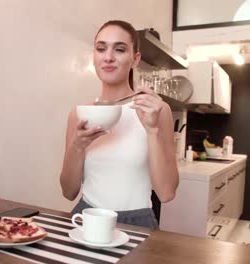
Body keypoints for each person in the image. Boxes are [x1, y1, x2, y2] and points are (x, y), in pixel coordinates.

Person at [59, 20, 179, 229]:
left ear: (135, 59)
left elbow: (166, 192)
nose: (108, 57)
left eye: (120, 49)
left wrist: (152, 131)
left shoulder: (156, 111)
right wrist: (77, 146)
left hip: (137, 222)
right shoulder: (79, 114)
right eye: (101, 48)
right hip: (86, 216)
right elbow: (68, 192)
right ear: (94, 57)